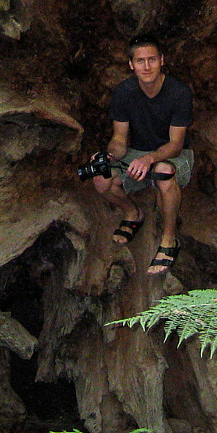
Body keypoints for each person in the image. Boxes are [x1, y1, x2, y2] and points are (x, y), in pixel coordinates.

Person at [92, 36, 193, 277]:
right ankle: (132, 213)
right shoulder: (125, 92)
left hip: (172, 154)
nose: (146, 67)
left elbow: (176, 144)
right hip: (136, 152)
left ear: (161, 61)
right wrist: (108, 156)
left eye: (151, 60)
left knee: (164, 172)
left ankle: (169, 240)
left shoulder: (179, 92)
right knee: (100, 177)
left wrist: (149, 160)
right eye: (140, 61)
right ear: (131, 65)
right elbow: (119, 140)